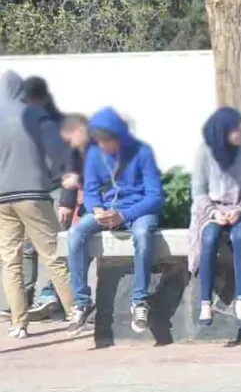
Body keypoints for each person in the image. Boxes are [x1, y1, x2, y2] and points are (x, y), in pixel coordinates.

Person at [66, 107, 164, 336]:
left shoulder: (142, 152)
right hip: (108, 209)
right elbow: (91, 191)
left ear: (120, 136)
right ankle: (82, 302)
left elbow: (155, 196)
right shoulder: (94, 154)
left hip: (139, 210)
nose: (104, 145)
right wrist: (97, 209)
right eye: (99, 141)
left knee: (142, 234)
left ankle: (140, 301)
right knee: (76, 233)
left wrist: (124, 215)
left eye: (108, 141)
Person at [0, 71, 75, 338]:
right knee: (53, 256)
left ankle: (18, 323)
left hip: (2, 199)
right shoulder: (33, 115)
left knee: (10, 261)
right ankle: (75, 312)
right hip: (34, 195)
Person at [188, 107, 241, 330]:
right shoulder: (204, 152)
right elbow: (198, 192)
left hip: (240, 210)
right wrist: (214, 213)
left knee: (240, 237)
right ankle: (205, 303)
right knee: (209, 238)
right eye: (237, 130)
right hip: (212, 210)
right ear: (223, 130)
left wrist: (240, 209)